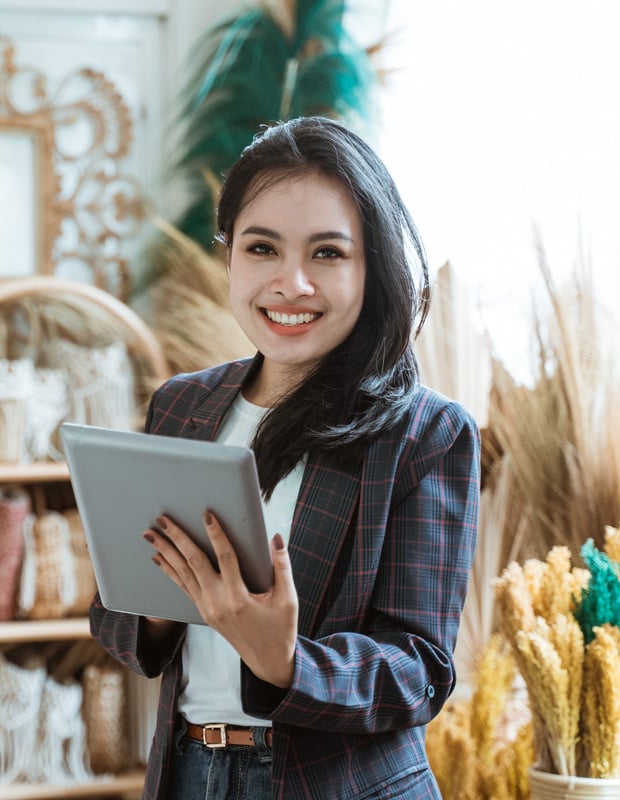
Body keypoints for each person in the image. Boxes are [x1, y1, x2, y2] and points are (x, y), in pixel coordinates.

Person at [90, 116, 480, 799]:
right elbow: (113, 615)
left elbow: (420, 670)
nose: (290, 282)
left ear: (373, 265)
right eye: (262, 248)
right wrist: (161, 602)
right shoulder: (181, 407)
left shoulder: (428, 434)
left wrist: (285, 660)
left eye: (327, 253)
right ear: (231, 256)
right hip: (187, 773)